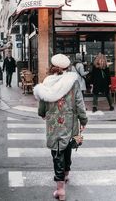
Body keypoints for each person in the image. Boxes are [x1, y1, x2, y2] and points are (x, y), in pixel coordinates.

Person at [33, 54, 88, 201]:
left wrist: (42, 113)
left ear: (52, 67)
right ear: (67, 67)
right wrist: (84, 120)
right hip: (70, 123)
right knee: (68, 147)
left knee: (57, 152)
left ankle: (60, 190)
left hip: (54, 125)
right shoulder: (73, 82)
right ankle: (66, 174)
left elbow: (42, 103)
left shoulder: (47, 82)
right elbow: (79, 103)